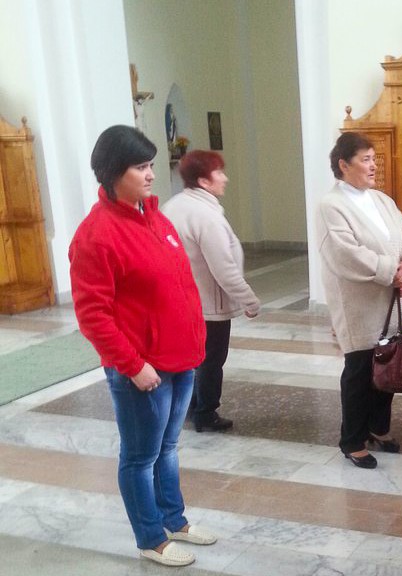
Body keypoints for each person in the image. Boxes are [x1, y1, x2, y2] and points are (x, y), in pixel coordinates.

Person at [68, 126, 216, 567]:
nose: (151, 174)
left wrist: (195, 341)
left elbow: (178, 286)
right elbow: (93, 315)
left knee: (168, 449)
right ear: (115, 171)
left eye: (151, 165)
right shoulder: (96, 235)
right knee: (140, 457)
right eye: (141, 167)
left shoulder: (156, 218)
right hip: (142, 369)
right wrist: (132, 365)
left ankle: (174, 520)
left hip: (181, 359)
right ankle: (150, 538)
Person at [316, 132, 402, 469]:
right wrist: (392, 271)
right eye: (365, 159)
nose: (373, 165)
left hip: (390, 300)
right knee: (360, 372)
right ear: (343, 165)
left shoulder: (381, 200)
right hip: (358, 304)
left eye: (374, 158)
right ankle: (352, 440)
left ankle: (378, 427)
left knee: (388, 364)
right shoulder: (331, 206)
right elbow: (345, 253)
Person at [161, 150, 261, 433]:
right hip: (208, 304)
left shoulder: (172, 207)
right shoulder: (205, 216)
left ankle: (190, 406)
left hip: (180, 301)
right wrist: (249, 300)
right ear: (204, 181)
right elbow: (223, 268)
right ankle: (206, 413)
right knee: (211, 360)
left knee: (193, 357)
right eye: (219, 173)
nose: (225, 178)